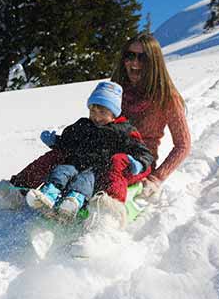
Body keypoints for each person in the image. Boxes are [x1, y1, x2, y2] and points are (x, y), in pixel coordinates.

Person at [0, 33, 191, 255]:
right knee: (61, 155)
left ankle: (105, 223)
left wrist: (156, 178)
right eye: (129, 55)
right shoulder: (116, 89)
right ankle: (17, 191)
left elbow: (183, 145)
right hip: (99, 153)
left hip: (134, 161)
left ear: (154, 62)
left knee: (117, 161)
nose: (133, 63)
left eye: (141, 58)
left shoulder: (167, 98)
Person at [24, 81, 154, 222]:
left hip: (96, 170)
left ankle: (73, 202)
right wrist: (55, 141)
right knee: (60, 172)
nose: (96, 117)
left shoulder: (123, 131)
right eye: (93, 111)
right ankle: (48, 195)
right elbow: (68, 141)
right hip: (75, 163)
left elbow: (143, 152)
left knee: (83, 182)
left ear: (113, 114)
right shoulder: (83, 125)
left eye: (102, 112)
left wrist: (138, 162)